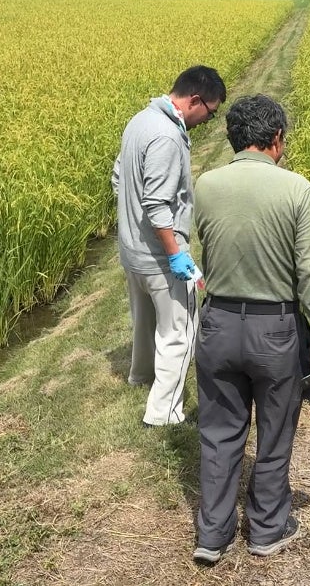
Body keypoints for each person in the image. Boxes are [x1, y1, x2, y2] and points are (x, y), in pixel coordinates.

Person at [191, 94, 310, 563]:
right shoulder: (296, 189)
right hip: (275, 330)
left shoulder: (206, 184)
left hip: (216, 323)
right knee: (274, 434)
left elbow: (209, 247)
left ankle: (212, 537)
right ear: (276, 139)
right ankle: (266, 530)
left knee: (219, 432)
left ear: (234, 137)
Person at [112, 65, 226, 427]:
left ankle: (140, 376)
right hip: (160, 257)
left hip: (132, 252)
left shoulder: (140, 121)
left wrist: (132, 224)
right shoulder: (166, 136)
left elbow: (119, 178)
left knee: (144, 320)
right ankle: (163, 413)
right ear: (194, 100)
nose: (209, 121)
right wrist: (176, 253)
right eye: (210, 112)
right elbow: (157, 203)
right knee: (179, 331)